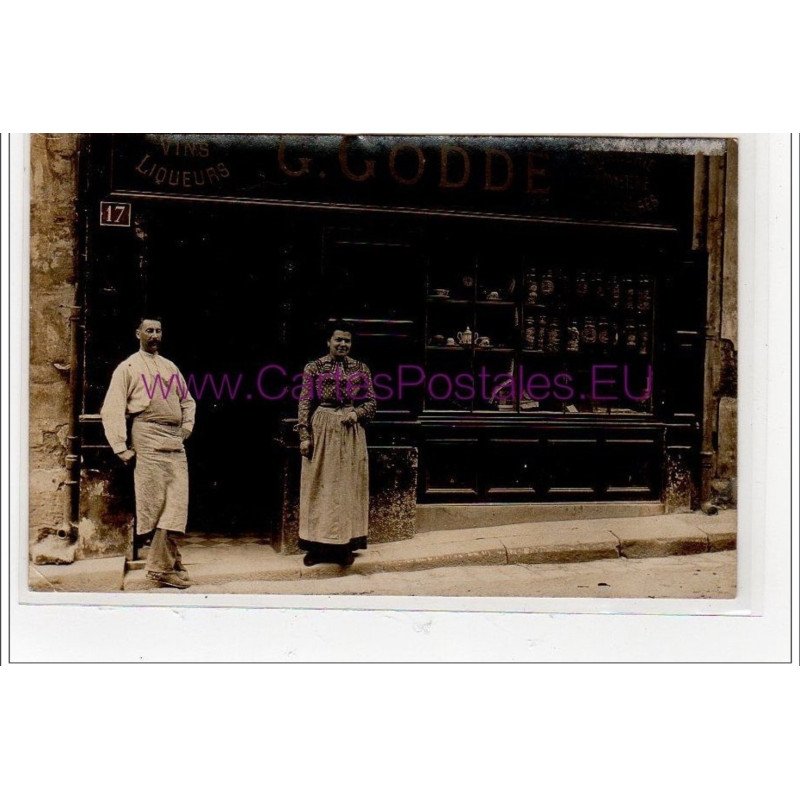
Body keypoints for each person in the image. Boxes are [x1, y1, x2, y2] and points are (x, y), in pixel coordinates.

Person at [100, 316, 196, 589]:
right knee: (156, 504)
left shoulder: (170, 367)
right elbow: (112, 407)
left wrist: (186, 426)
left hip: (173, 439)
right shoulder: (128, 367)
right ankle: (161, 567)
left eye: (158, 330)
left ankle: (166, 562)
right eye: (149, 330)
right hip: (147, 437)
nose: (154, 335)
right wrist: (120, 446)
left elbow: (188, 401)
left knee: (177, 502)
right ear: (138, 333)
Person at [296, 320, 376, 567]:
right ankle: (317, 547)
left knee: (347, 487)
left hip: (350, 430)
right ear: (328, 341)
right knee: (320, 485)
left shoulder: (361, 368)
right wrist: (305, 436)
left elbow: (371, 402)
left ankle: (344, 546)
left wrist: (357, 414)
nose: (343, 344)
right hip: (323, 429)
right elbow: (305, 402)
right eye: (338, 339)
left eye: (347, 340)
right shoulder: (314, 368)